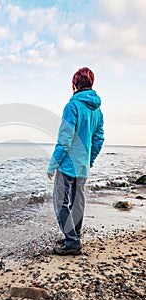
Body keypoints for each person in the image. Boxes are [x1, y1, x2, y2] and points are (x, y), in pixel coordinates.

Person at [47, 67, 104, 256]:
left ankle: (72, 242)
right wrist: (90, 160)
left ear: (74, 84)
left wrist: (53, 164)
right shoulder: (97, 111)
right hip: (82, 166)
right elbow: (98, 139)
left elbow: (65, 138)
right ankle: (74, 236)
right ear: (91, 84)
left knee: (60, 203)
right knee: (77, 202)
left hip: (67, 165)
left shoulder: (72, 106)